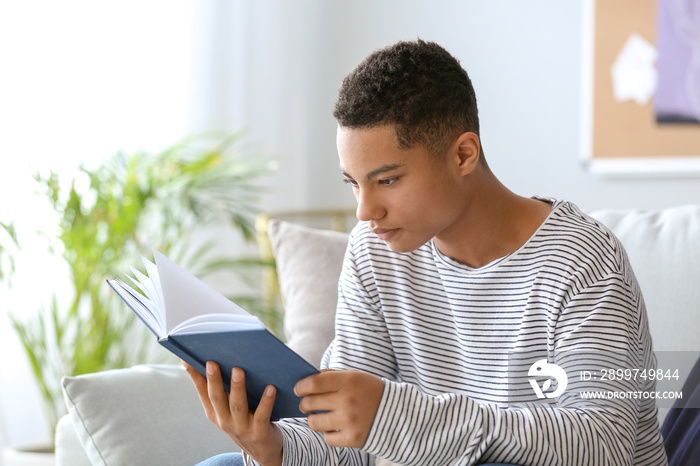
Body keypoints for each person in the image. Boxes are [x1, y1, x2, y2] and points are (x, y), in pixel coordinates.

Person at [184, 39, 668, 466]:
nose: (365, 210)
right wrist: (273, 448)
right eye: (353, 184)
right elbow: (350, 447)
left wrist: (394, 416)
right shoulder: (375, 252)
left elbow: (603, 447)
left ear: (463, 154)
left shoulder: (581, 259)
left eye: (387, 180)